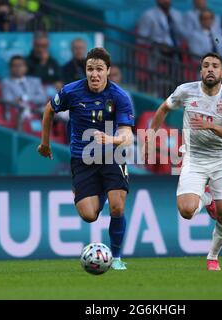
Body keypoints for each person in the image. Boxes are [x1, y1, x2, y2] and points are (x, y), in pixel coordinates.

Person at [38, 48, 135, 271]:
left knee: (117, 208)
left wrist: (110, 140)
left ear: (108, 71)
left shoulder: (119, 96)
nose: (94, 74)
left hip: (112, 154)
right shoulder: (71, 91)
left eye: (99, 69)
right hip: (82, 158)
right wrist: (45, 143)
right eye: (90, 69)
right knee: (89, 216)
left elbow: (127, 136)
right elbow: (49, 110)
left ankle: (117, 258)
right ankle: (99, 191)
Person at [144, 52, 222, 271]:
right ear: (200, 71)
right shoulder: (186, 91)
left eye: (215, 66)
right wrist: (150, 135)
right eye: (205, 65)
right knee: (186, 211)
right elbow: (164, 108)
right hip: (194, 157)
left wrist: (212, 127)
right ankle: (207, 199)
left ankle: (213, 256)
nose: (210, 69)